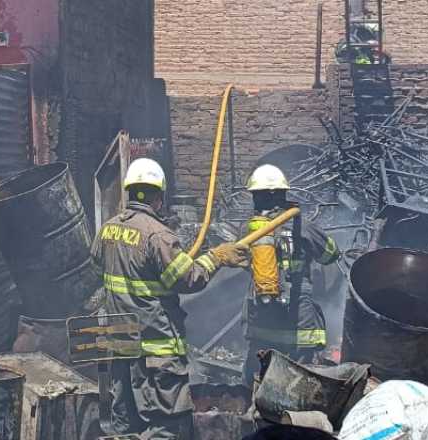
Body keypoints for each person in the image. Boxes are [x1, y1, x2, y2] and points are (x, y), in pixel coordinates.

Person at [91, 158, 251, 439]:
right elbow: (187, 280)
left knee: (124, 422)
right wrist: (216, 257)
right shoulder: (158, 236)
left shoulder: (108, 229)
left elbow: (97, 267)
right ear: (158, 196)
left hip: (120, 346)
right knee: (166, 425)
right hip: (156, 349)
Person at [242, 164, 340, 385]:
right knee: (301, 379)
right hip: (298, 317)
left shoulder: (248, 228)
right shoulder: (301, 224)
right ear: (281, 194)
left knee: (261, 376)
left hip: (262, 316)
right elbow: (331, 254)